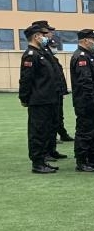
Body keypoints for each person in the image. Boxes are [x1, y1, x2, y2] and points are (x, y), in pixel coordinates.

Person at [19, 23, 59, 174]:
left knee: (45, 131)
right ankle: (37, 163)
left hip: (48, 98)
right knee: (38, 132)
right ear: (36, 37)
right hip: (39, 100)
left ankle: (43, 160)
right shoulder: (31, 55)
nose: (45, 37)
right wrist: (24, 98)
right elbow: (26, 79)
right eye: (42, 35)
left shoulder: (41, 53)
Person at [70, 29, 94, 172]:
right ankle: (81, 161)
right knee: (85, 132)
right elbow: (85, 82)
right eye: (93, 39)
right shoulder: (81, 57)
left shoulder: (88, 55)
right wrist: (90, 100)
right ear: (85, 40)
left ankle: (93, 159)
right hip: (86, 102)